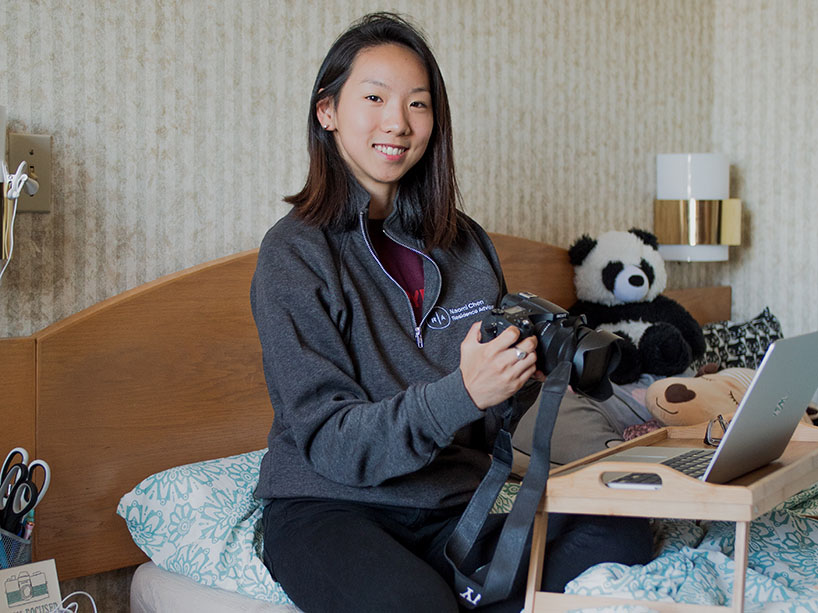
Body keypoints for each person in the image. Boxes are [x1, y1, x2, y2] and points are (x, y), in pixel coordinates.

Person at [251, 12, 652, 613]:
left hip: (447, 506)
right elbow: (332, 442)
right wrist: (467, 391)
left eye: (418, 104)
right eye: (374, 98)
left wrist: (521, 380)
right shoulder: (295, 253)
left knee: (625, 529)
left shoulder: (464, 243)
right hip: (330, 506)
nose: (398, 122)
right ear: (327, 111)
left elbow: (487, 421)